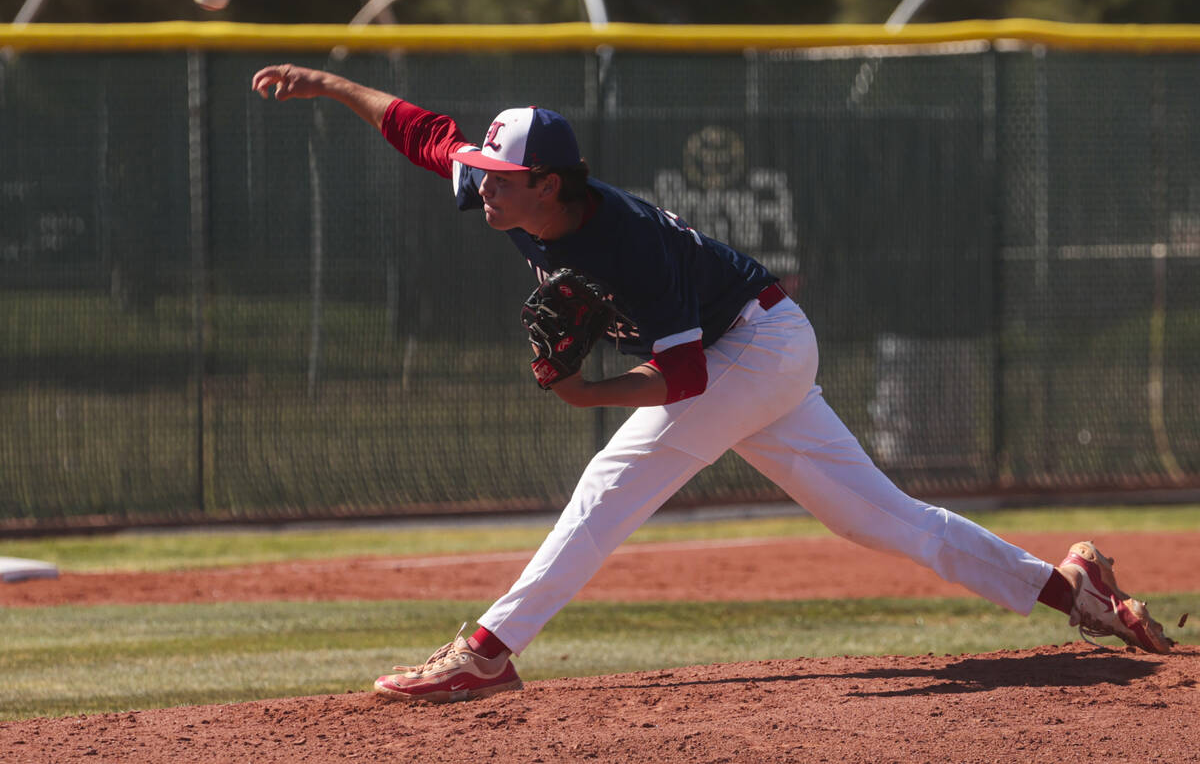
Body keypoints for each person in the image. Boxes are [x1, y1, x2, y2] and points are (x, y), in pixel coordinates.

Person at [250, 64, 1174, 703]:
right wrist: (327, 84)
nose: (480, 190)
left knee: (612, 482)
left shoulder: (623, 242)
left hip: (755, 350)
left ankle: (487, 651)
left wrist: (586, 395)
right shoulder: (515, 197)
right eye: (484, 177)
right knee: (876, 519)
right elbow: (423, 132)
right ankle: (1074, 591)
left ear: (548, 182)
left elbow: (685, 376)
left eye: (500, 180)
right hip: (760, 352)